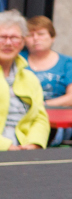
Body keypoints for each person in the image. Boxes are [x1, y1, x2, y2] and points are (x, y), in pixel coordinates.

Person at [22, 18, 72, 130]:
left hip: (58, 119)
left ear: (52, 37)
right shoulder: (15, 60)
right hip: (20, 115)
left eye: (41, 34)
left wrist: (44, 104)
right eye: (30, 35)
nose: (36, 38)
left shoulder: (69, 63)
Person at [0, 12, 50, 150]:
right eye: (2, 37)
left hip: (23, 152)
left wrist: (33, 144)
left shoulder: (29, 78)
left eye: (14, 38)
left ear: (22, 43)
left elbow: (40, 118)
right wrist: (6, 146)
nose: (8, 43)